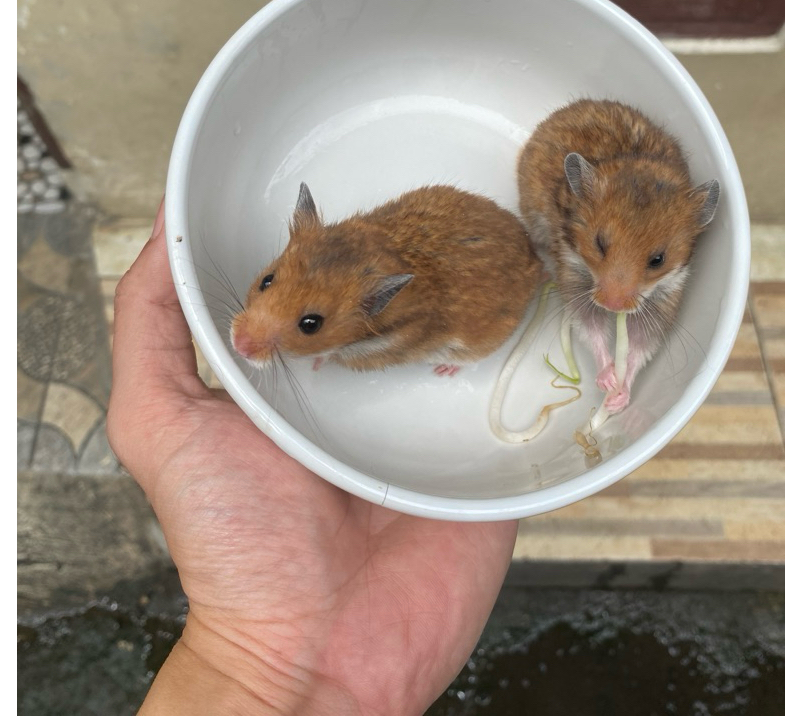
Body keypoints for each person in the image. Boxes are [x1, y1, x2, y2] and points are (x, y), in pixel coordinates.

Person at [107, 201, 518, 715]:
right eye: (267, 285)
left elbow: (390, 348)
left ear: (377, 307)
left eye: (307, 322)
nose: (245, 334)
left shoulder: (404, 317)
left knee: (466, 341)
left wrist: (250, 666)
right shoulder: (331, 249)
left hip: (473, 309)